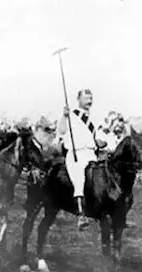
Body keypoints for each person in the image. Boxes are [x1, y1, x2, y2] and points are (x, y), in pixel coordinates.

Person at [57, 89, 108, 231]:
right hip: (76, 154)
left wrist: (100, 142)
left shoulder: (94, 118)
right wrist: (64, 116)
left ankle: (105, 211)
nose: (89, 101)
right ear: (78, 99)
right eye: (86, 98)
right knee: (79, 180)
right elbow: (61, 131)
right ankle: (81, 215)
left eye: (91, 98)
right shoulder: (71, 115)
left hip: (91, 154)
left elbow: (99, 136)